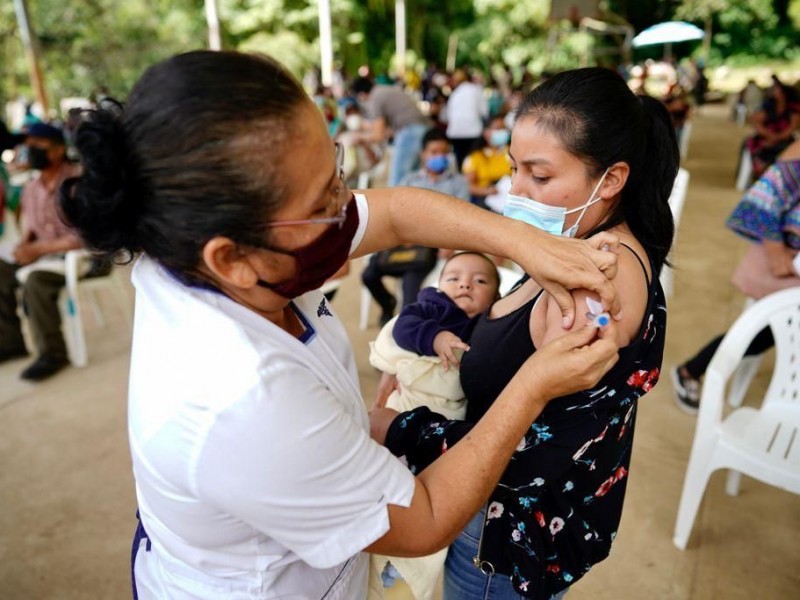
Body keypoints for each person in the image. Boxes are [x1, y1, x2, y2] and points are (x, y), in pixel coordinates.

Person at [59, 51, 623, 600]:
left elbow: (397, 212)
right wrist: (533, 386)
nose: (344, 203)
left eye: (337, 173)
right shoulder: (240, 401)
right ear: (232, 258)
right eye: (323, 199)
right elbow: (422, 519)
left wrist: (527, 242)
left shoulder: (224, 239)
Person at [370, 66, 678, 600]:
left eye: (539, 176)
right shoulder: (578, 249)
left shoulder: (595, 287)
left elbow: (535, 452)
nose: (515, 190)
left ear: (610, 179)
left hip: (499, 540)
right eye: (514, 168)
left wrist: (399, 428)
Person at [369, 251, 501, 599]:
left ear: (497, 297)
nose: (465, 285)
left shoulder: (488, 325)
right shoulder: (432, 307)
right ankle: (384, 555)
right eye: (453, 277)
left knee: (429, 494)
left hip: (448, 419)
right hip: (410, 403)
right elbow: (403, 327)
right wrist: (437, 338)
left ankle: (407, 562)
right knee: (387, 480)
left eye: (480, 280)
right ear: (439, 285)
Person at [672, 138, 800, 413]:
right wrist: (776, 252)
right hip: (786, 269)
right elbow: (766, 198)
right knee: (763, 333)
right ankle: (691, 370)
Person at [0, 122, 85, 381]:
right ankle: (10, 342)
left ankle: (53, 353)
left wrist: (37, 250)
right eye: (28, 146)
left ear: (58, 150)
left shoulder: (78, 181)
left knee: (36, 282)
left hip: (80, 257)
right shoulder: (31, 189)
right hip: (47, 255)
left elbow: (85, 236)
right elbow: (33, 230)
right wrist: (24, 247)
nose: (30, 151)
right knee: (1, 271)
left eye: (38, 145)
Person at [362, 128, 470, 325]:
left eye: (443, 152)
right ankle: (388, 304)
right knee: (369, 275)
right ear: (423, 154)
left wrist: (447, 243)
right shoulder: (409, 180)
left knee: (410, 291)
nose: (439, 157)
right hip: (402, 243)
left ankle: (406, 331)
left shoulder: (458, 183)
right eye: (434, 152)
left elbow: (460, 221)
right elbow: (393, 215)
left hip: (429, 247)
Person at [351, 75, 431, 186]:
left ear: (361, 94)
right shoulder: (384, 90)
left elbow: (378, 136)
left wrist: (359, 137)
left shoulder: (375, 97)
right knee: (413, 180)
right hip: (424, 130)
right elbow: (386, 130)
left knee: (397, 182)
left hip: (410, 132)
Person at [743, 75, 800, 180]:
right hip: (767, 137)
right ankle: (760, 172)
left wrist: (776, 138)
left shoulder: (792, 109)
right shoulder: (769, 106)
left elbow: (791, 127)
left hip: (784, 139)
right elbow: (756, 122)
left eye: (776, 89)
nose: (774, 91)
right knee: (753, 145)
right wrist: (769, 135)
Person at [462, 114, 513, 210]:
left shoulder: (512, 152)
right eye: (498, 129)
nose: (502, 132)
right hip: (485, 203)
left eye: (504, 128)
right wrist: (486, 191)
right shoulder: (475, 157)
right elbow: (469, 186)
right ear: (486, 133)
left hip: (510, 201)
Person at [444, 68, 488, 169]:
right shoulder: (476, 90)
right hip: (473, 133)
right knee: (472, 163)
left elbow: (448, 116)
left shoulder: (454, 94)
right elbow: (484, 111)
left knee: (461, 164)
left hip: (455, 133)